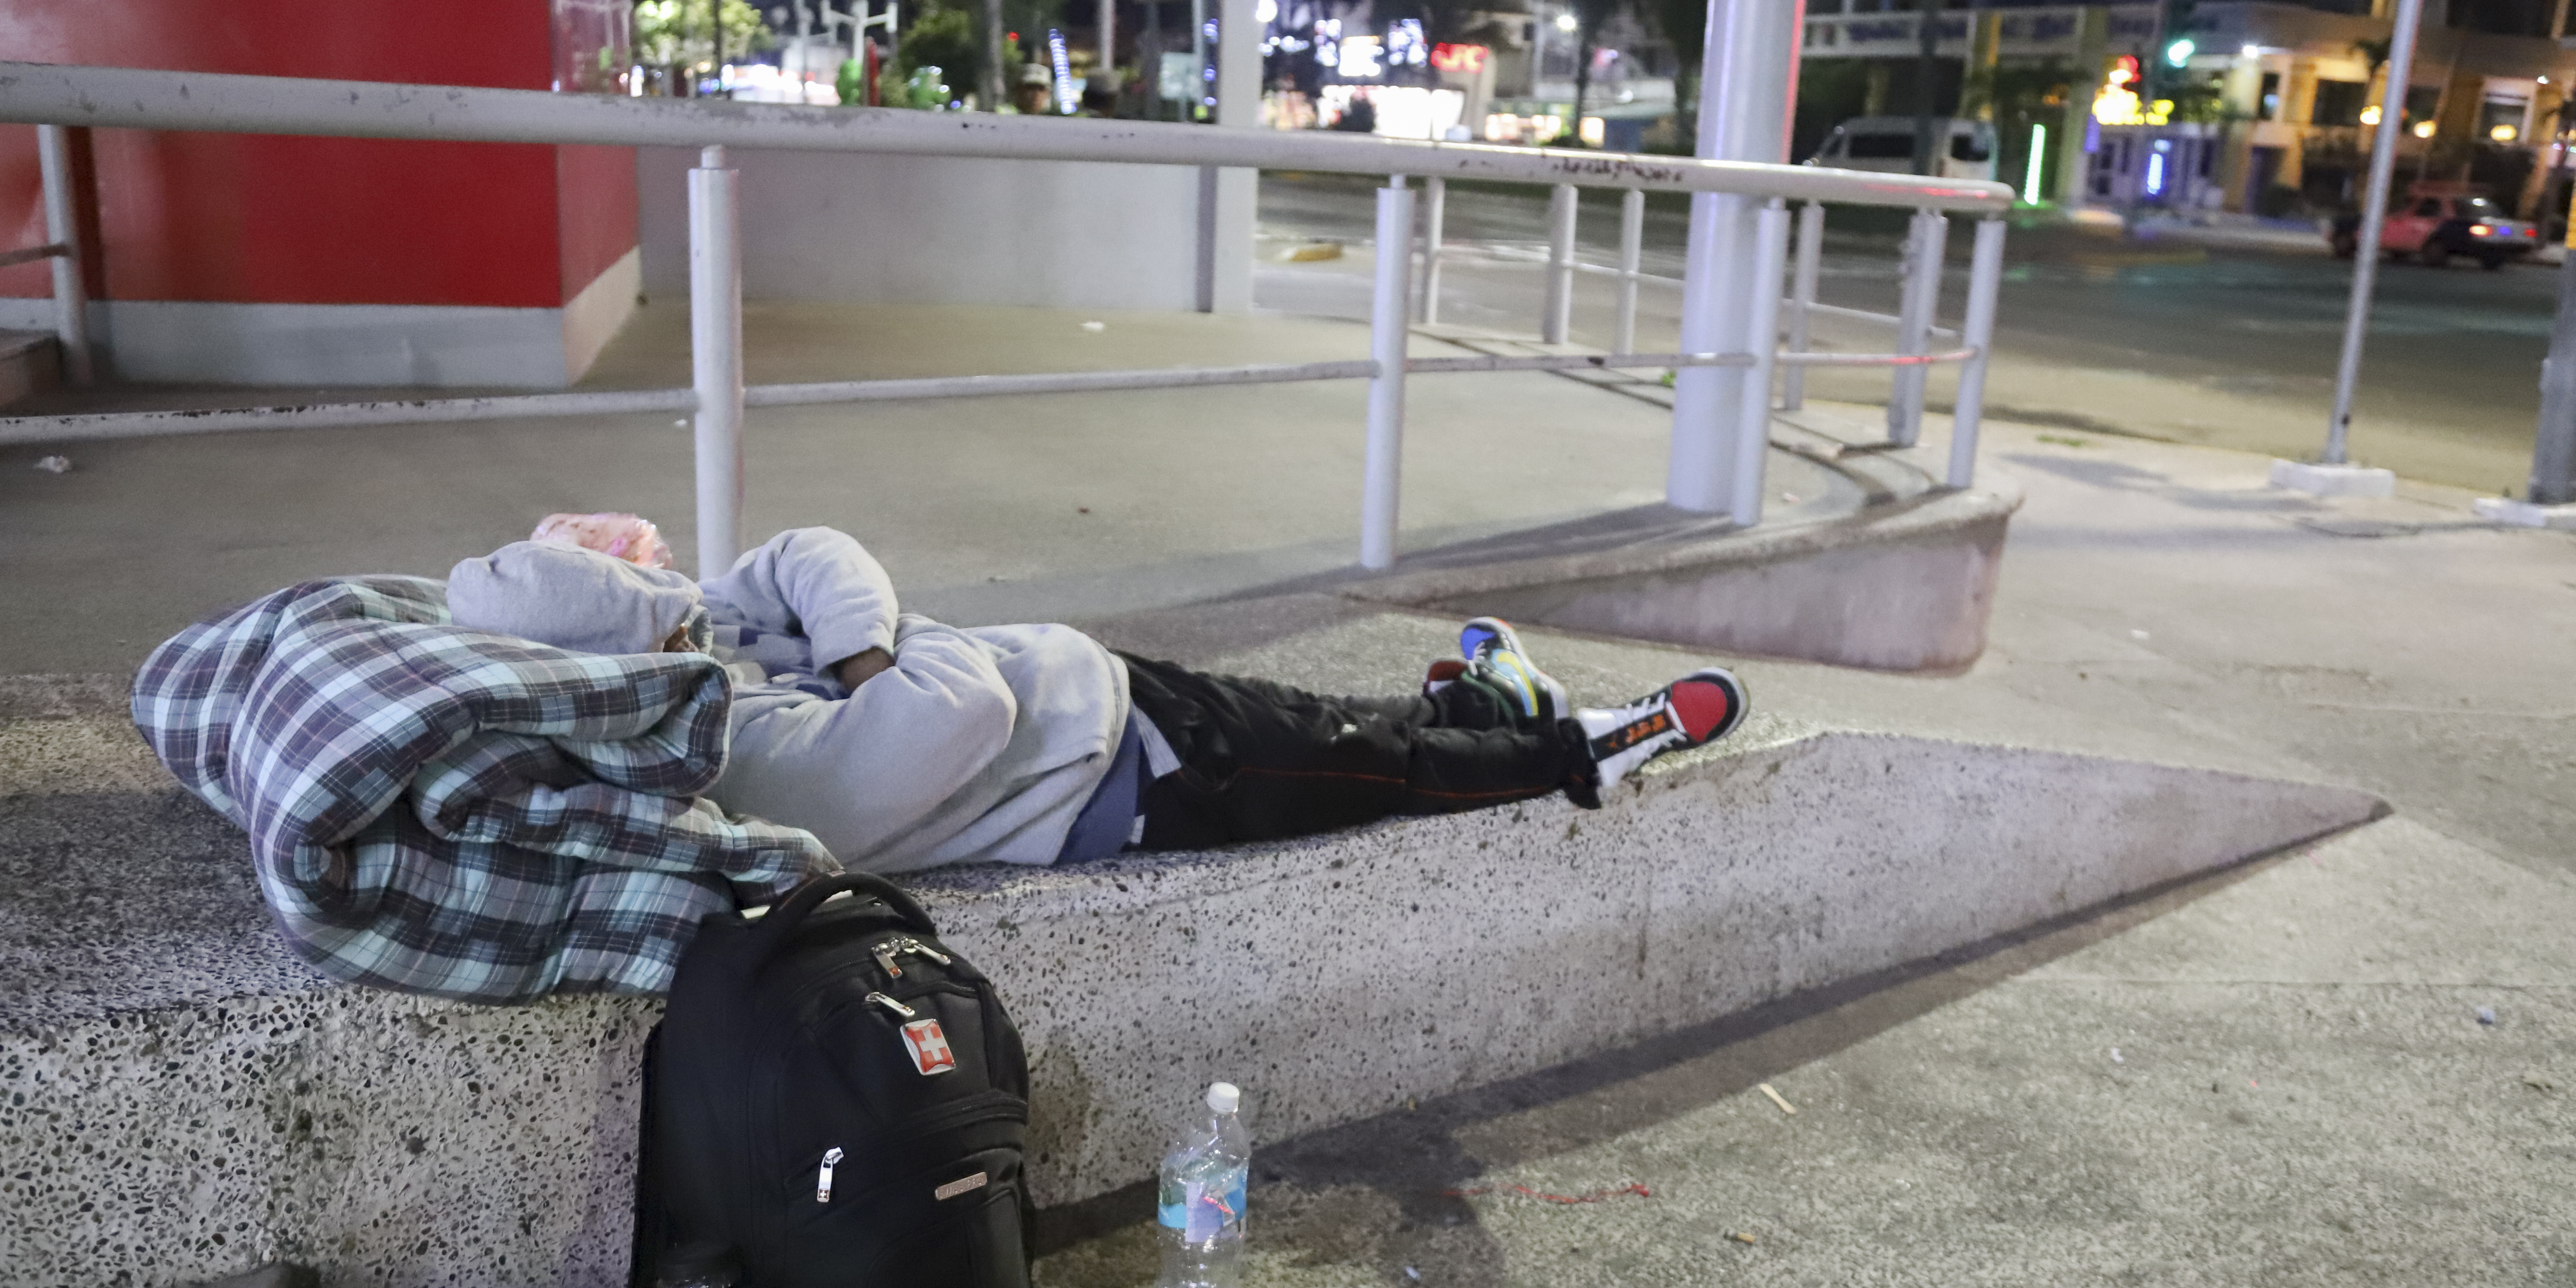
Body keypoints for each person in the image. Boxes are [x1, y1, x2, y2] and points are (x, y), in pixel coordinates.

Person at [444, 516, 1749, 875]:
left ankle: (1488, 706)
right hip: (1130, 783)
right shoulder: (731, 751)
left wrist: (858, 651)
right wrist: (889, 648)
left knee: (1337, 725)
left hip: (1110, 700)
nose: (677, 576)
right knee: (1373, 770)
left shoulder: (709, 647)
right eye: (652, 590)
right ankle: (1585, 749)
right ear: (634, 647)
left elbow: (810, 549)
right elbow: (957, 713)